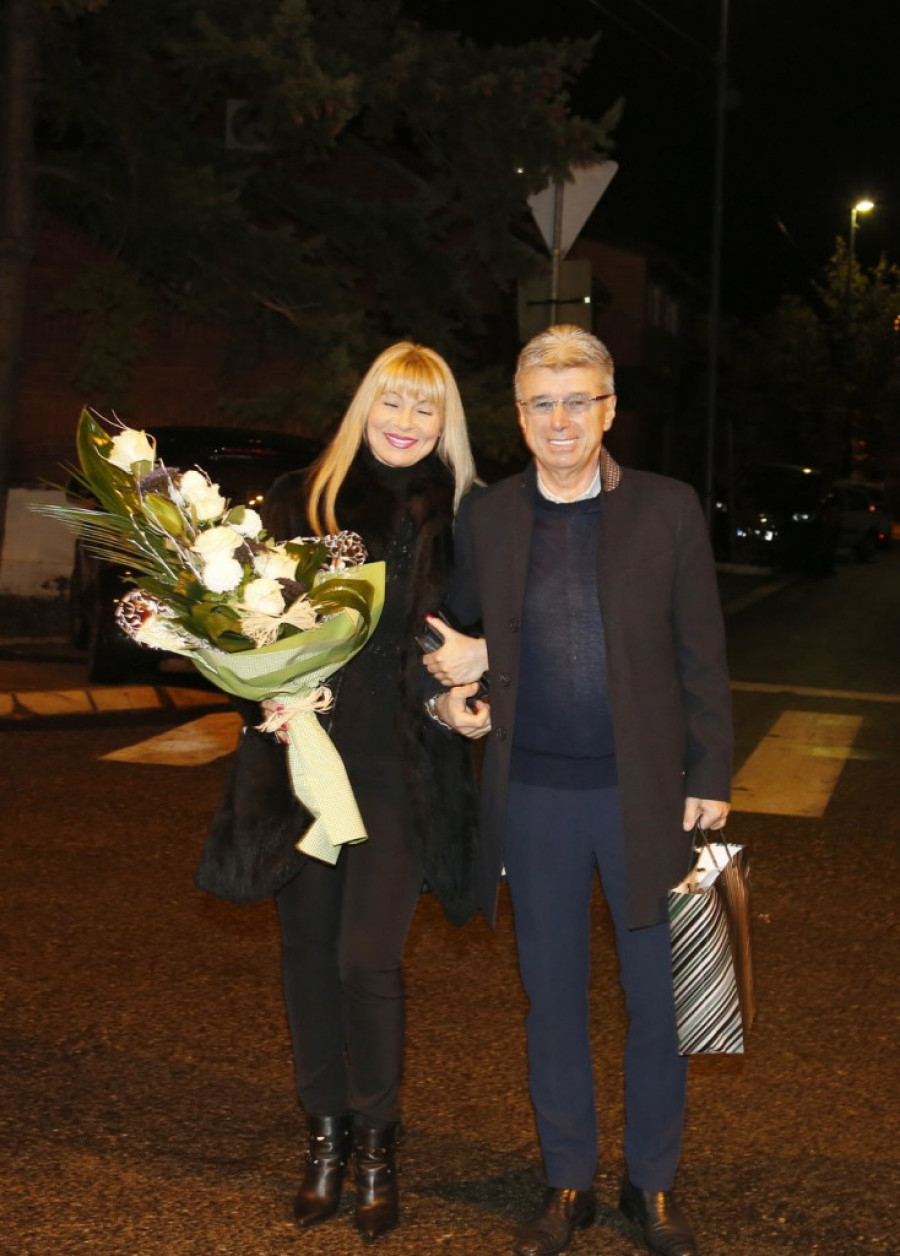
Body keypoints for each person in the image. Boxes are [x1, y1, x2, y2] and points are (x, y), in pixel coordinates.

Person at [424, 325, 733, 1256]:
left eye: (577, 401)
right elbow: (443, 632)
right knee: (552, 998)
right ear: (520, 418)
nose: (560, 421)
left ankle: (653, 1184)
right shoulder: (488, 517)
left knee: (660, 1000)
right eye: (541, 405)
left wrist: (711, 773)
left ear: (608, 410)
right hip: (533, 797)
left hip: (645, 796)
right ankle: (568, 1181)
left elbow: (702, 649)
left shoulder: (668, 509)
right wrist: (450, 699)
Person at [197, 342, 479, 1241]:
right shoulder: (298, 501)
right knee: (310, 954)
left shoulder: (466, 518)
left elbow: (494, 639)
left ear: (445, 425)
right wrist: (267, 690)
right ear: (365, 407)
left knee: (368, 959)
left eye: (425, 409)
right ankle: (324, 1140)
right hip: (303, 762)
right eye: (392, 402)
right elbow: (240, 630)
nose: (405, 422)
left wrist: (473, 687)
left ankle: (378, 1149)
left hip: (404, 768)